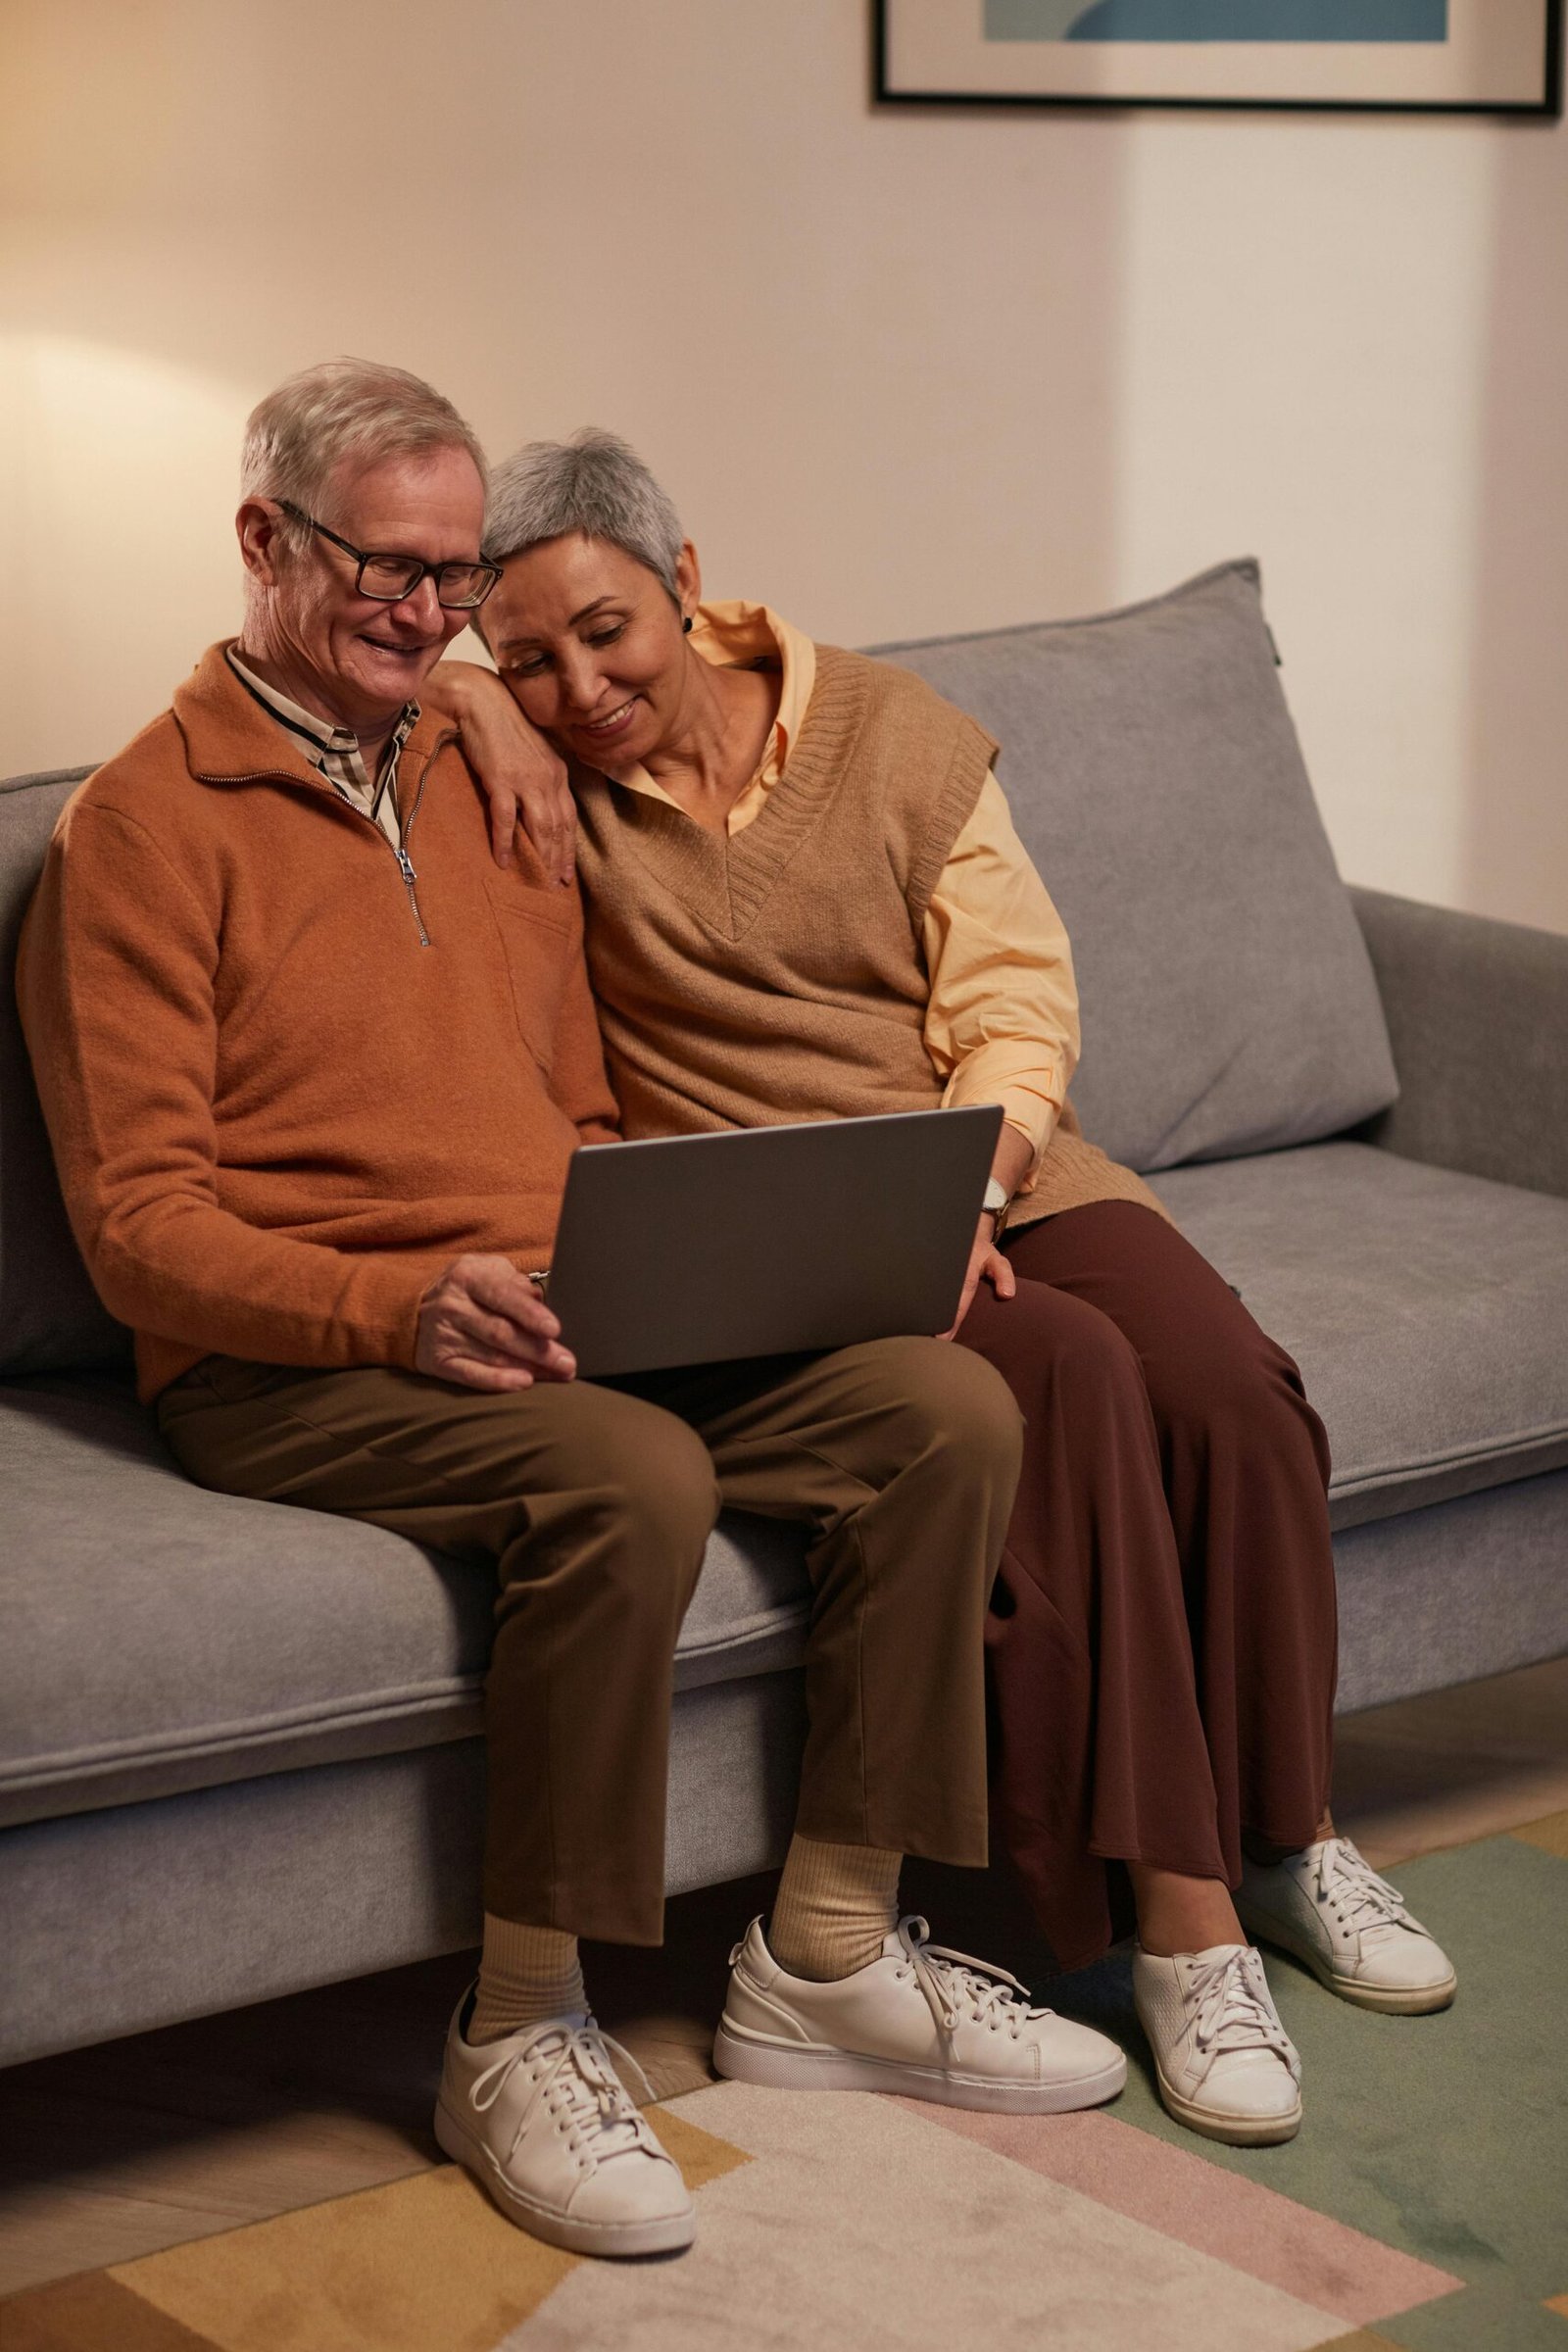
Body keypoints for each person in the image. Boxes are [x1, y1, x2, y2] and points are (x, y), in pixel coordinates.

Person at [16, 364, 1128, 2264]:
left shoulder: (479, 756)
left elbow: (584, 1080)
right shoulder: (137, 832)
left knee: (937, 1415)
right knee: (623, 1476)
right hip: (295, 1353)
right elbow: (139, 1233)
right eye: (385, 569)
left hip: (553, 1299)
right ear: (262, 542)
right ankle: (519, 2024)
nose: (425, 613)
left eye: (455, 581)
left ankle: (829, 1958)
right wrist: (391, 1307)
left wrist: (637, 1245)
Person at [434, 426, 1458, 2151]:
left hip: (1002, 1161)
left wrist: (977, 1179)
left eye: (603, 630)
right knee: (1067, 1381)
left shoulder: (892, 735)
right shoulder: (530, 782)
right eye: (524, 656)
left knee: (1230, 1385)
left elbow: (1016, 1000)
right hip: (800, 1226)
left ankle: (1294, 1837)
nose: (576, 684)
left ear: (687, 584)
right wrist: (467, 704)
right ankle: (1184, 1924)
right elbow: (307, 682)